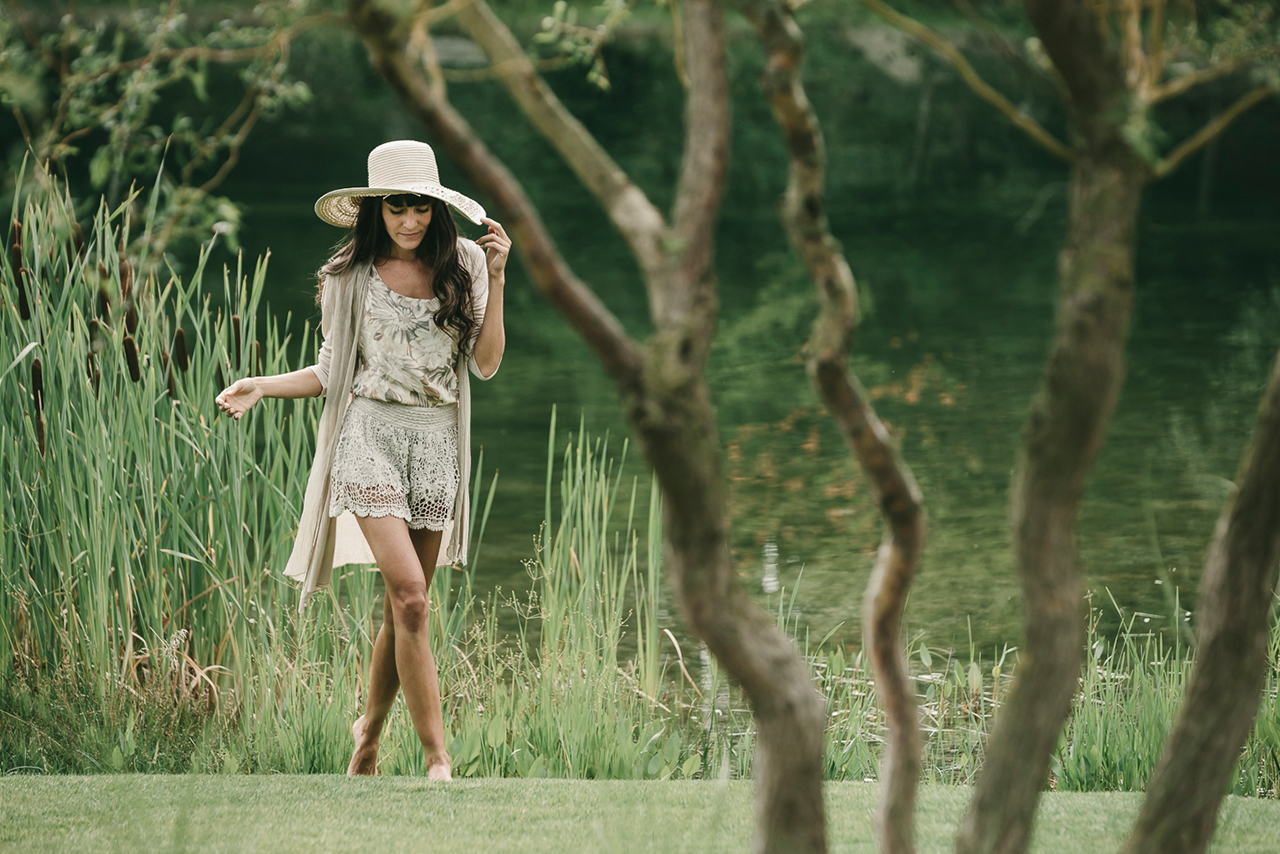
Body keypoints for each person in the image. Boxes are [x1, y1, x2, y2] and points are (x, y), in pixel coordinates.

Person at [215, 140, 509, 781]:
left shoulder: (466, 264)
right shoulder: (347, 278)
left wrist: (501, 278)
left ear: (437, 208)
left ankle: (368, 737)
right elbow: (331, 370)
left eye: (421, 208)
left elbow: (485, 364)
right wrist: (262, 385)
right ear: (377, 209)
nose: (410, 221)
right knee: (410, 597)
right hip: (369, 437)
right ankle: (437, 759)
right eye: (397, 208)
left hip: (435, 443)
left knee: (405, 606)